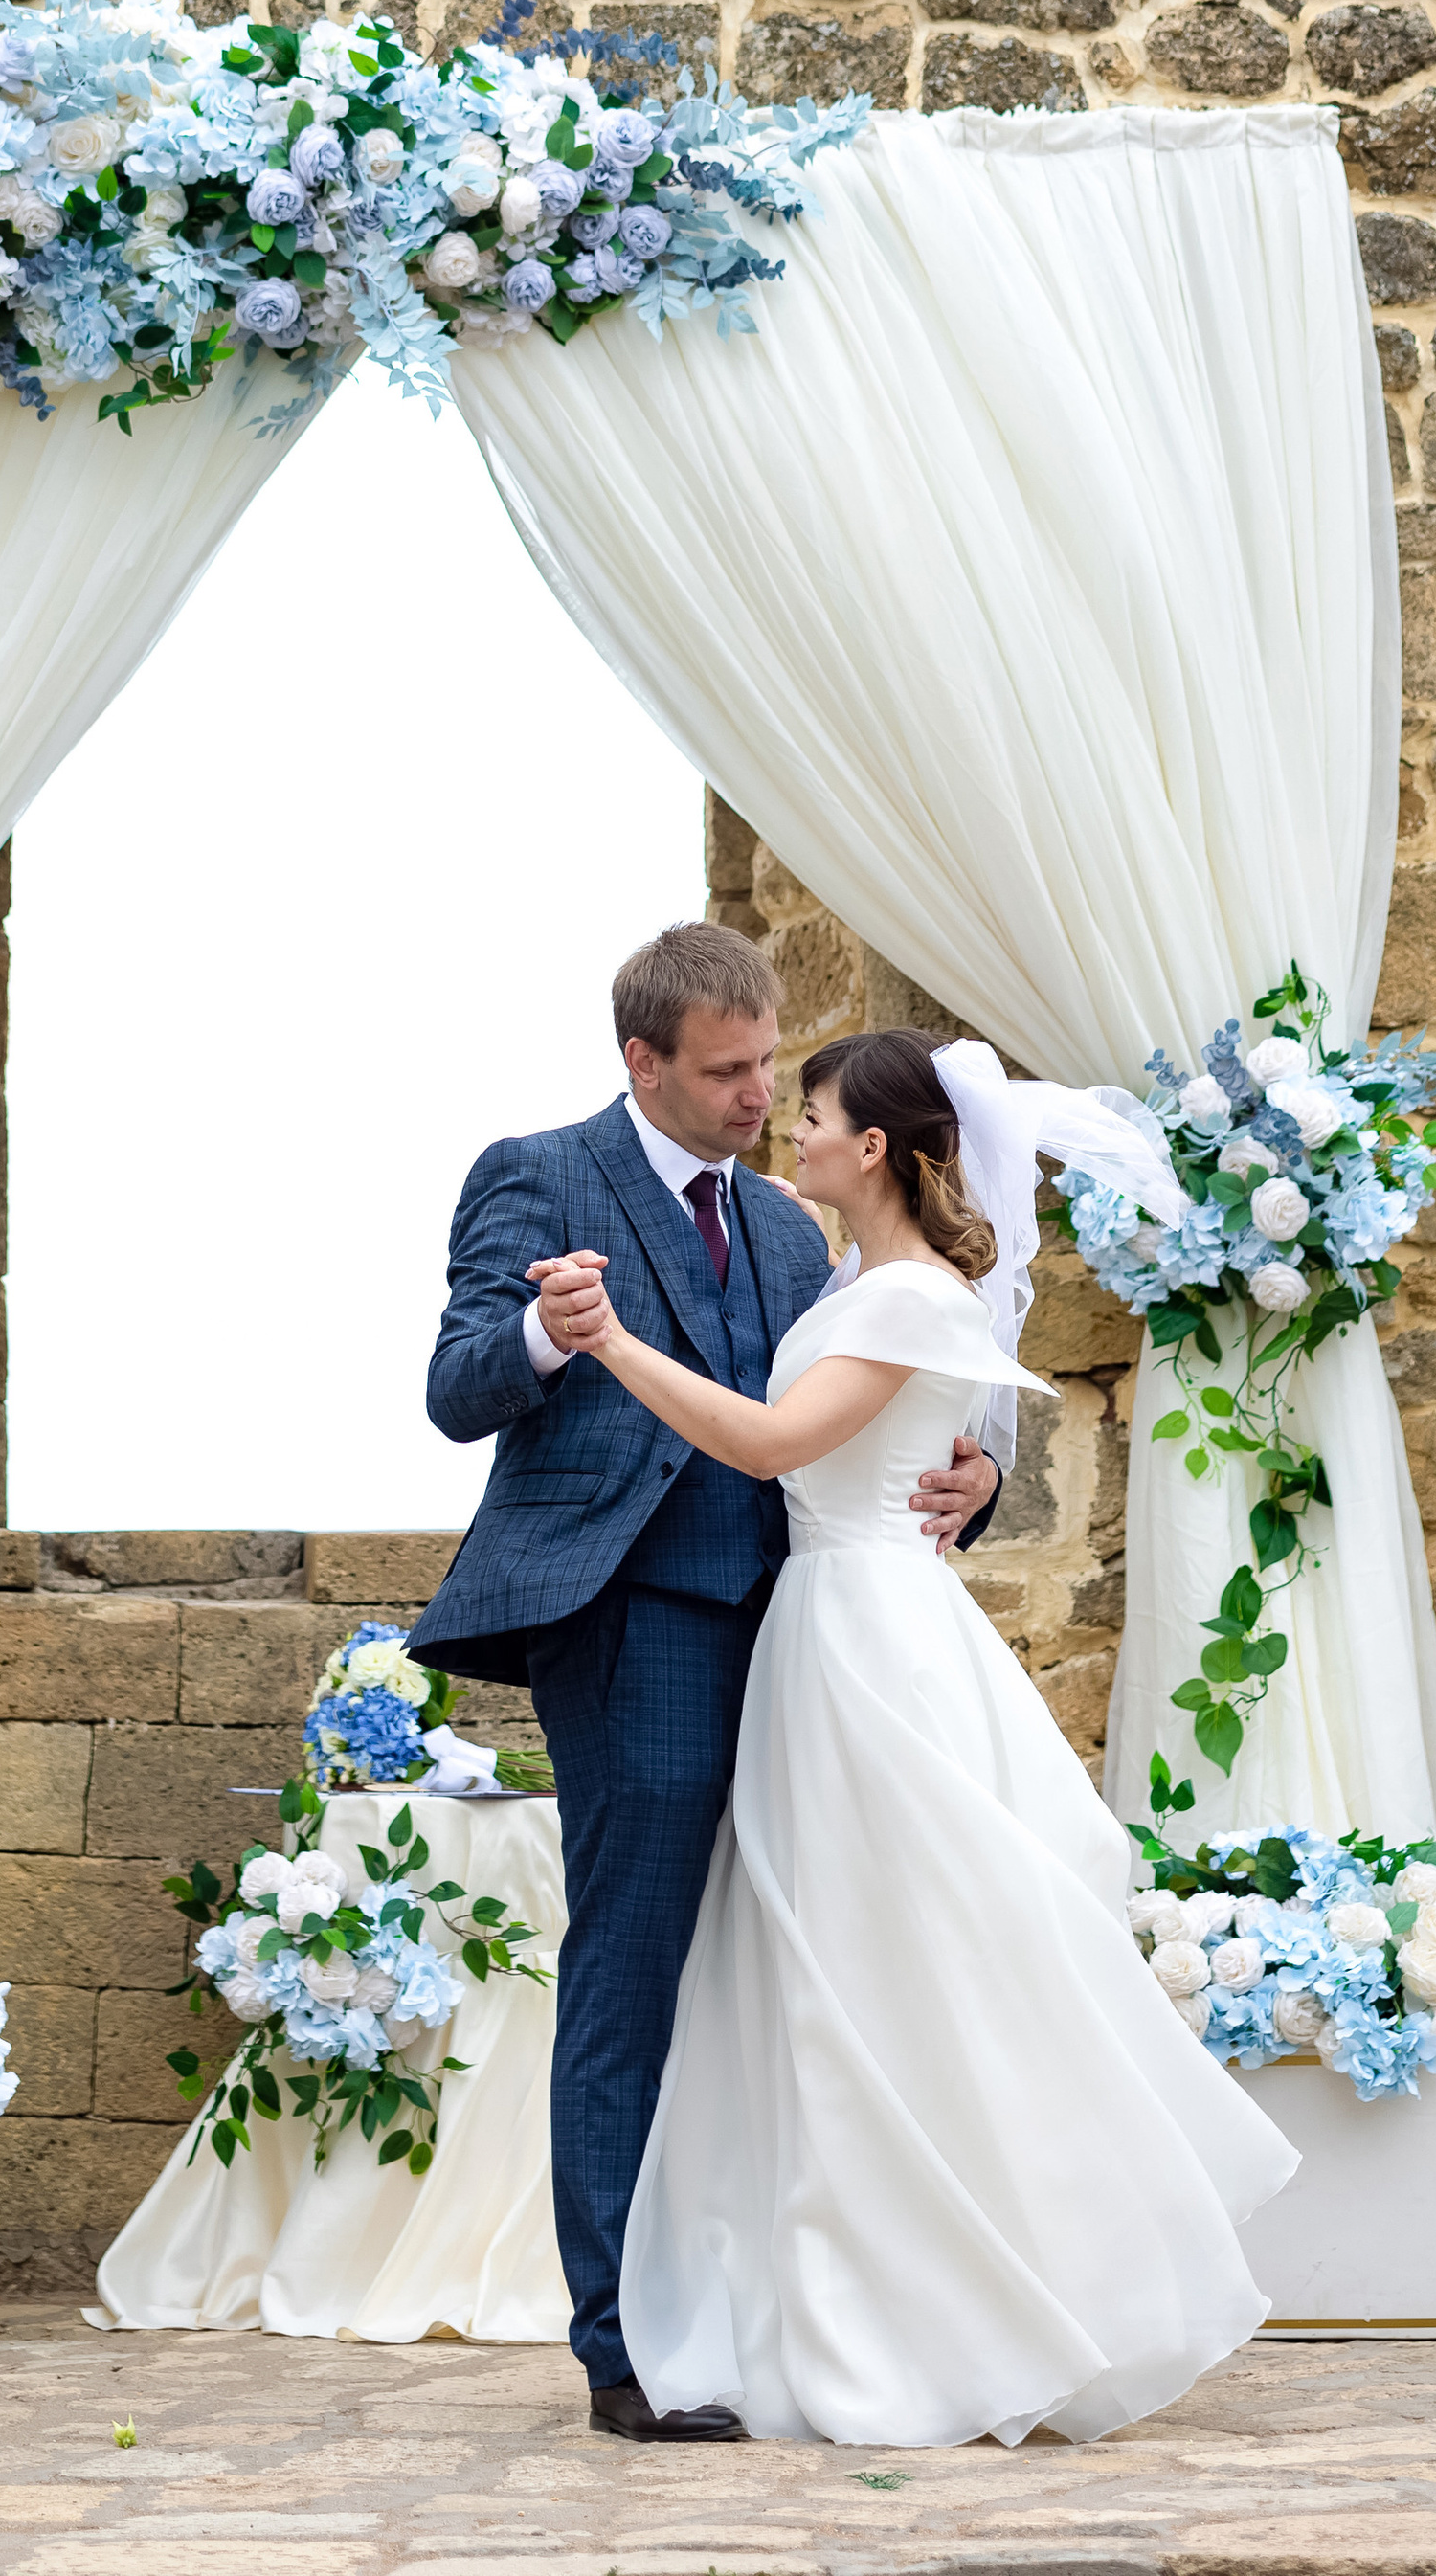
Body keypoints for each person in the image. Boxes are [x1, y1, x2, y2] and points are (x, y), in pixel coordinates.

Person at [543, 1026, 1298, 2452]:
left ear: (875, 1145)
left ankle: (946, 2310)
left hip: (871, 1641)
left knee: (898, 1965)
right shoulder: (851, 1279)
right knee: (835, 1971)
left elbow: (773, 1447)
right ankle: (849, 2290)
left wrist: (617, 1345)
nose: (792, 1127)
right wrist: (972, 1461)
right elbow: (901, 1434)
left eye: (813, 1107)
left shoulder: (911, 1296)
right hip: (822, 1629)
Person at [410, 928, 1004, 2443]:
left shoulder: (797, 1228)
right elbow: (455, 1381)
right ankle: (625, 2348)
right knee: (639, 1966)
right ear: (644, 1063)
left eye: (768, 1066)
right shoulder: (536, 1172)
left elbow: (844, 1410)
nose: (759, 1096)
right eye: (729, 1071)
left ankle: (776, 2307)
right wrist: (548, 1332)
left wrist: (969, 1477)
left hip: (810, 1623)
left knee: (790, 1966)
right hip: (633, 1617)